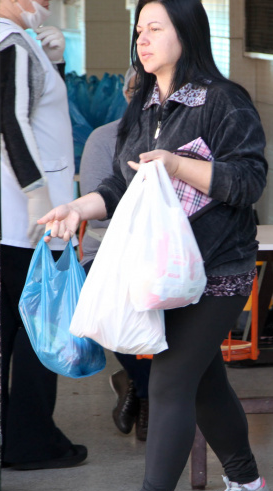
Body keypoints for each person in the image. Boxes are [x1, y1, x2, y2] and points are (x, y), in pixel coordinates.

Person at [39, 0, 272, 491]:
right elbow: (122, 190)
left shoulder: (223, 101)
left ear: (186, 33)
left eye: (154, 29)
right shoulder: (144, 104)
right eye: (138, 30)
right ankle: (247, 482)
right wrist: (80, 208)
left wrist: (174, 162)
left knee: (169, 378)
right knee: (203, 379)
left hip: (218, 269)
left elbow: (249, 180)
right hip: (166, 271)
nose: (142, 40)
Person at [0, 0, 86, 470]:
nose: (48, 3)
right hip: (25, 219)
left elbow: (43, 114)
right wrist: (36, 195)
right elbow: (10, 122)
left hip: (17, 220)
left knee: (10, 334)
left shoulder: (13, 39)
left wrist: (57, 63)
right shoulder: (9, 41)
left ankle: (3, 439)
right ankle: (31, 442)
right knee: (36, 331)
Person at [78, 67, 153, 441]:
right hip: (107, 255)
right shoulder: (104, 139)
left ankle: (137, 384)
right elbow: (98, 216)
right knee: (120, 307)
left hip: (163, 257)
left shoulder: (183, 138)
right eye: (136, 88)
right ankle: (147, 389)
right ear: (125, 94)